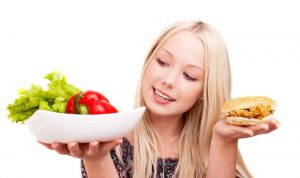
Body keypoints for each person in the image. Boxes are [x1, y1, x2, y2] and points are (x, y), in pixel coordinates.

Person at [40, 20, 280, 178]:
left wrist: (223, 141)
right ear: (148, 61)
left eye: (189, 75)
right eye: (163, 62)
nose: (169, 80)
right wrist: (96, 159)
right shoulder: (109, 142)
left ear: (204, 93)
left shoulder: (214, 153)